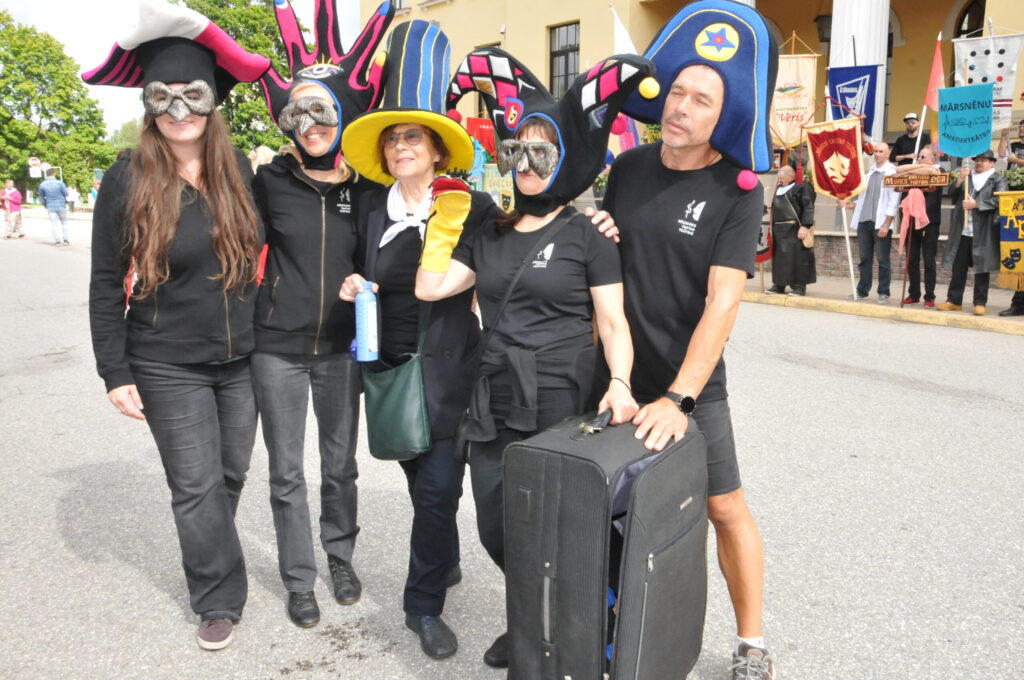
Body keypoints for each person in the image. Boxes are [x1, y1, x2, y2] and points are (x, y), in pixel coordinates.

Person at [422, 46, 654, 669]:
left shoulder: (588, 234)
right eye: (516, 151)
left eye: (541, 153)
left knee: (556, 525)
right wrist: (442, 220)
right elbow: (431, 288)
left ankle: (578, 625)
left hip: (560, 398)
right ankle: (532, 613)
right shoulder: (489, 231)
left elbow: (613, 321)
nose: (525, 164)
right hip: (493, 396)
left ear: (566, 160)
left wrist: (621, 382)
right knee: (496, 522)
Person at [83, 0, 270, 651]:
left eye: (192, 94)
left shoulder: (238, 169)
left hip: (241, 359)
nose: (178, 109)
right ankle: (217, 596)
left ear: (213, 101)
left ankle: (215, 557)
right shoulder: (127, 177)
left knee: (229, 476)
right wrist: (114, 370)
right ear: (149, 104)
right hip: (166, 361)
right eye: (163, 96)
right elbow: (105, 281)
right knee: (194, 486)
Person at [607, 2, 779, 677]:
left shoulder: (737, 189)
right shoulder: (627, 168)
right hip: (620, 373)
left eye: (700, 100)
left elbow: (722, 303)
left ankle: (751, 645)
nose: (680, 107)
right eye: (677, 91)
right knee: (612, 504)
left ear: (723, 115)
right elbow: (611, 268)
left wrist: (680, 397)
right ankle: (616, 625)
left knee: (723, 505)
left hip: (690, 385)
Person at [336, 20, 496, 659]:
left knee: (435, 493)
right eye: (393, 137)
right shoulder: (372, 208)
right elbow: (358, 271)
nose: (401, 146)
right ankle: (444, 559)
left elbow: (454, 279)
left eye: (413, 137)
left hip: (449, 376)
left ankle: (422, 605)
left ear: (436, 149)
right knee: (422, 487)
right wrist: (353, 283)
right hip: (388, 372)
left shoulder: (472, 208)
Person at [250, 0, 394, 629]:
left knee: (339, 466)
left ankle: (340, 557)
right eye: (299, 113)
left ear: (344, 116)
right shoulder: (268, 182)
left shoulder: (368, 192)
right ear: (287, 121)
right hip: (276, 349)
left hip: (341, 350)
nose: (311, 124)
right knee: (286, 473)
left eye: (324, 111)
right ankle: (298, 578)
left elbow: (408, 240)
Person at [936, 150, 1008, 315]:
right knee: (958, 268)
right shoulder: (968, 177)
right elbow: (951, 193)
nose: (979, 163)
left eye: (984, 160)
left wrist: (977, 204)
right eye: (978, 160)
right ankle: (954, 300)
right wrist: (960, 178)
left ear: (992, 162)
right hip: (963, 231)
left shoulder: (998, 179)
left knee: (982, 269)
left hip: (984, 231)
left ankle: (980, 302)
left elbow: (1001, 199)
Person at [843, 142, 899, 303]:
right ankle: (862, 291)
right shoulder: (868, 173)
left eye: (881, 151)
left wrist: (886, 225)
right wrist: (849, 205)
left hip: (880, 223)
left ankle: (883, 292)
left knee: (883, 260)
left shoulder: (892, 173)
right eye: (875, 151)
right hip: (864, 221)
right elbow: (863, 199)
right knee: (864, 258)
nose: (877, 154)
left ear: (888, 154)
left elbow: (893, 202)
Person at [895, 145, 945, 306]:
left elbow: (931, 177)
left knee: (929, 260)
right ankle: (914, 293)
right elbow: (899, 173)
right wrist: (916, 166)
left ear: (933, 159)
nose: (919, 159)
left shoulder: (939, 170)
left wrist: (915, 169)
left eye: (923, 157)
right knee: (911, 259)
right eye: (919, 156)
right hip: (911, 220)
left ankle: (929, 296)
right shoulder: (914, 171)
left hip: (929, 222)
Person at [766, 165, 815, 296]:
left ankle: (799, 287)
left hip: (794, 228)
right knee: (780, 259)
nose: (780, 180)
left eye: (782, 177)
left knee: (797, 258)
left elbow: (808, 207)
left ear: (791, 175)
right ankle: (779, 285)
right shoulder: (779, 188)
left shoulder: (802, 187)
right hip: (779, 229)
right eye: (779, 177)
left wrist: (805, 226)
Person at [37, 169, 69, 246]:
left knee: (54, 224)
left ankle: (57, 241)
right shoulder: (60, 183)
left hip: (50, 205)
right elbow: (66, 193)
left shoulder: (42, 185)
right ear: (54, 174)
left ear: (46, 174)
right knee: (64, 222)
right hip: (61, 204)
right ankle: (65, 240)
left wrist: (45, 204)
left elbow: (41, 197)